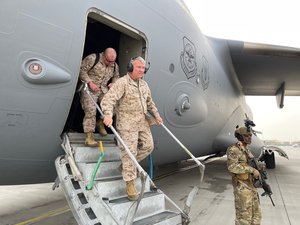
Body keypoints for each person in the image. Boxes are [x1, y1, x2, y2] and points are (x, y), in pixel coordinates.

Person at [101, 56, 163, 201]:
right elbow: (108, 99)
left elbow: (150, 102)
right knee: (130, 153)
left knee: (148, 146)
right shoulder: (122, 83)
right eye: (138, 67)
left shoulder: (144, 85)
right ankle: (129, 183)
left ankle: (125, 166)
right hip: (127, 125)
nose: (142, 70)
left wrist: (157, 115)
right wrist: (108, 115)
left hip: (142, 122)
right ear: (130, 68)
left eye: (143, 68)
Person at [79, 48, 119, 147]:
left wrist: (113, 83)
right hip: (89, 88)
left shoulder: (114, 65)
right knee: (91, 109)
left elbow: (116, 76)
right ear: (103, 55)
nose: (110, 63)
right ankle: (89, 136)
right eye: (108, 61)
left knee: (116, 105)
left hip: (103, 90)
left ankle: (100, 123)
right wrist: (89, 82)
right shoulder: (93, 58)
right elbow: (81, 70)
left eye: (112, 61)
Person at [226, 126, 262, 225]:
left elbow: (251, 164)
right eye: (246, 135)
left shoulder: (247, 150)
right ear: (240, 136)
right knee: (244, 218)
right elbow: (232, 167)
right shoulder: (234, 149)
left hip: (252, 187)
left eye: (250, 135)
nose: (249, 137)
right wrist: (251, 169)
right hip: (242, 189)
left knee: (256, 216)